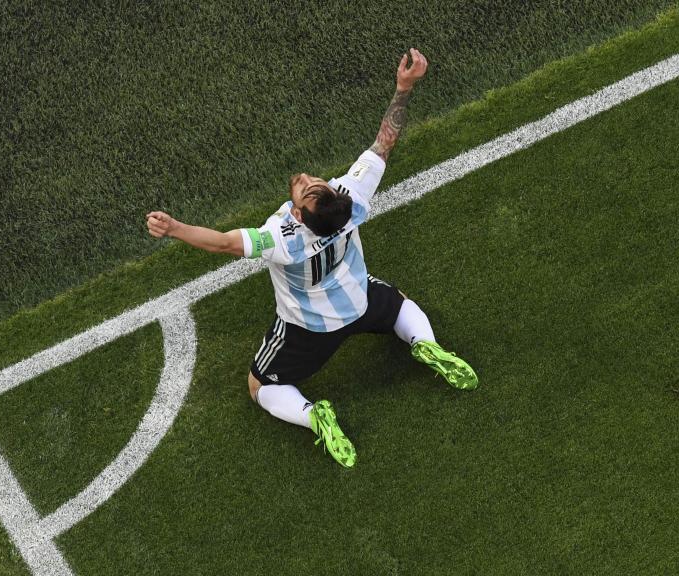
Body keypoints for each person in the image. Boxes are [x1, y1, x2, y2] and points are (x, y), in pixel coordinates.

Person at [146, 48, 477, 468]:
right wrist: (404, 89)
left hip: (309, 328)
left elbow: (224, 243)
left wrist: (174, 228)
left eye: (305, 187)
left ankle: (313, 416)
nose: (305, 178)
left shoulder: (281, 239)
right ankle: (426, 345)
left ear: (299, 216)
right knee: (399, 305)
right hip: (360, 299)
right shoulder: (351, 200)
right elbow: (385, 142)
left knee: (258, 386)